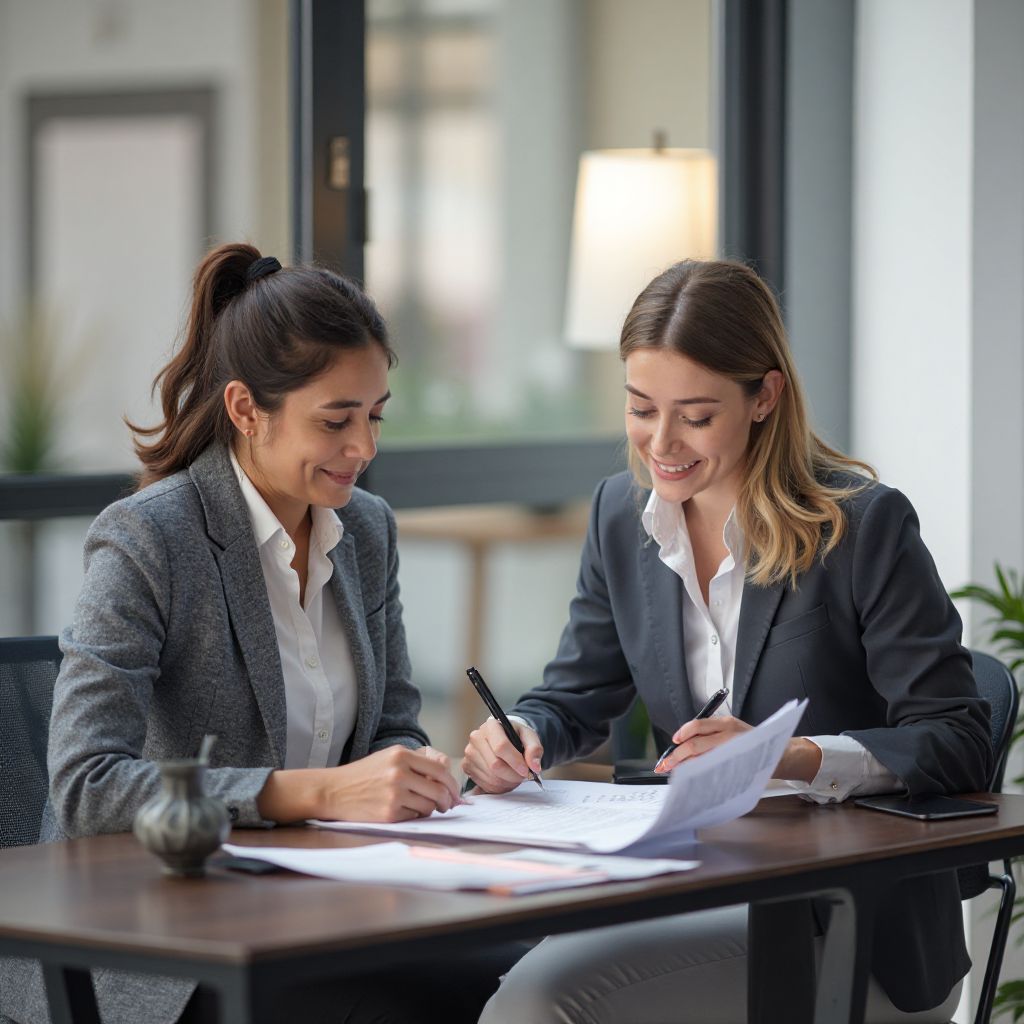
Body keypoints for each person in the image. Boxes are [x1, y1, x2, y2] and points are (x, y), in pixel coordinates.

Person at [462, 259, 992, 1023]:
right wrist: (521, 730)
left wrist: (788, 755)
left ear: (764, 397)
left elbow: (958, 738)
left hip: (849, 926)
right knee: (493, 974)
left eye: (696, 416)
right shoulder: (622, 516)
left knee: (538, 1004)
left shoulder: (862, 527)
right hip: (693, 883)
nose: (661, 442)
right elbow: (576, 694)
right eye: (641, 408)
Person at [0, 243, 518, 1024]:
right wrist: (315, 793)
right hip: (161, 942)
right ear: (246, 410)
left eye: (374, 416)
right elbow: (86, 787)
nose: (364, 448)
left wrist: (413, 776)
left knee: (517, 971)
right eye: (336, 421)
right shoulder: (150, 538)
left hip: (322, 909)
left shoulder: (366, 530)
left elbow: (391, 727)